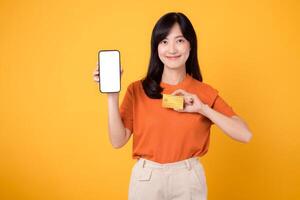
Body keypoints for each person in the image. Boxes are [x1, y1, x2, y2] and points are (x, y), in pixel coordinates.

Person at [93, 12, 252, 200]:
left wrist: (203, 108)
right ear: (156, 47)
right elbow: (117, 141)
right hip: (146, 179)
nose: (172, 49)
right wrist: (112, 96)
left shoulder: (204, 92)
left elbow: (245, 134)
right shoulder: (137, 90)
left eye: (180, 40)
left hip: (188, 179)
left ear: (190, 45)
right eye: (164, 41)